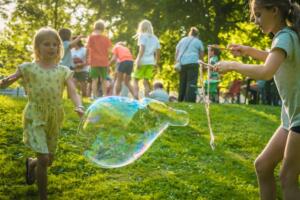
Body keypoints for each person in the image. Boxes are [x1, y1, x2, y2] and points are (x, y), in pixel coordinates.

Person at [215, 0, 300, 199]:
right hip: (290, 118)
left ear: (275, 11)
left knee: (287, 178)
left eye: (259, 15)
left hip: (299, 119)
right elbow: (273, 58)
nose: (256, 21)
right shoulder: (286, 36)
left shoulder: (285, 37)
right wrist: (248, 50)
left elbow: (266, 71)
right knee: (263, 166)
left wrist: (233, 65)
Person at [0, 27, 84, 200]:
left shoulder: (63, 71)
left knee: (49, 160)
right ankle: (43, 197)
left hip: (54, 117)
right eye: (47, 44)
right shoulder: (28, 68)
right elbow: (9, 80)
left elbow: (73, 92)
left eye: (55, 44)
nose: (52, 47)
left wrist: (79, 106)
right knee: (44, 159)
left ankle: (32, 163)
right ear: (37, 47)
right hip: (35, 115)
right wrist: (4, 83)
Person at [132, 19, 160, 98]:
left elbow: (142, 49)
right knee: (146, 81)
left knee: (135, 79)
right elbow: (158, 52)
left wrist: (138, 60)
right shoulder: (155, 38)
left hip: (142, 61)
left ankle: (135, 97)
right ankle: (146, 99)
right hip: (151, 62)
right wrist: (156, 63)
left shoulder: (142, 36)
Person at [175, 27, 204, 102]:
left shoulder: (183, 40)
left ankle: (180, 100)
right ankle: (189, 100)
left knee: (182, 82)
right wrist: (202, 64)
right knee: (191, 82)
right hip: (193, 63)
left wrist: (176, 61)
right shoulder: (198, 41)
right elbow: (201, 54)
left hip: (182, 63)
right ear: (197, 34)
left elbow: (177, 51)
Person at [86, 19, 112, 99]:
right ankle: (104, 95)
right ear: (103, 28)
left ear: (95, 27)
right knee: (104, 79)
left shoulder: (91, 37)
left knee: (95, 79)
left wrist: (87, 59)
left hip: (94, 61)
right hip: (104, 62)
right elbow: (109, 51)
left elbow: (87, 49)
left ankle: (94, 96)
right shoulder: (106, 38)